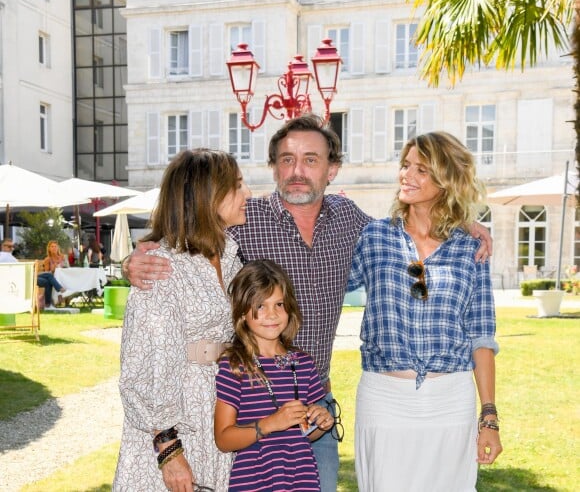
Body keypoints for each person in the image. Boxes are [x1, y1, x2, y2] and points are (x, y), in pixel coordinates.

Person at [123, 115, 493, 491]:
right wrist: (133, 261)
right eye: (286, 159)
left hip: (314, 403)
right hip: (248, 402)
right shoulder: (243, 223)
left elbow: (406, 237)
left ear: (333, 169)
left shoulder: (352, 221)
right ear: (273, 168)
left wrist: (464, 224)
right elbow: (185, 231)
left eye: (311, 159)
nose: (296, 170)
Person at [348, 131, 503, 492]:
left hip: (451, 400)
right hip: (383, 399)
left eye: (421, 170)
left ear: (446, 179)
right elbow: (322, 291)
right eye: (405, 166)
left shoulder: (471, 249)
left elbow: (481, 335)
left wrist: (489, 417)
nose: (406, 175)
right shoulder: (373, 238)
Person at [113, 148, 251, 492]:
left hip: (217, 414)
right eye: (237, 185)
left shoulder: (230, 258)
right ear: (207, 196)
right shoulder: (162, 266)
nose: (248, 193)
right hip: (175, 425)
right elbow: (144, 367)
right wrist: (169, 452)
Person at [215, 259, 335, 491]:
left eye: (279, 304)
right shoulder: (235, 366)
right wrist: (270, 424)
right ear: (242, 314)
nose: (272, 314)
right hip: (254, 482)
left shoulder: (304, 365)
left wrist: (321, 423)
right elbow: (223, 439)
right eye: (261, 306)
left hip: (301, 480)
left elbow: (303, 435)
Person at [37, 240, 67, 308]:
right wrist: (53, 269)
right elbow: (46, 273)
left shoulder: (62, 257)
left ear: (58, 248)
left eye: (55, 246)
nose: (54, 248)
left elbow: (67, 267)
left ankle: (48, 304)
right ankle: (60, 289)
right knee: (49, 276)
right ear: (49, 249)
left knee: (48, 282)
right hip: (53, 277)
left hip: (63, 277)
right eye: (52, 247)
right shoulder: (47, 259)